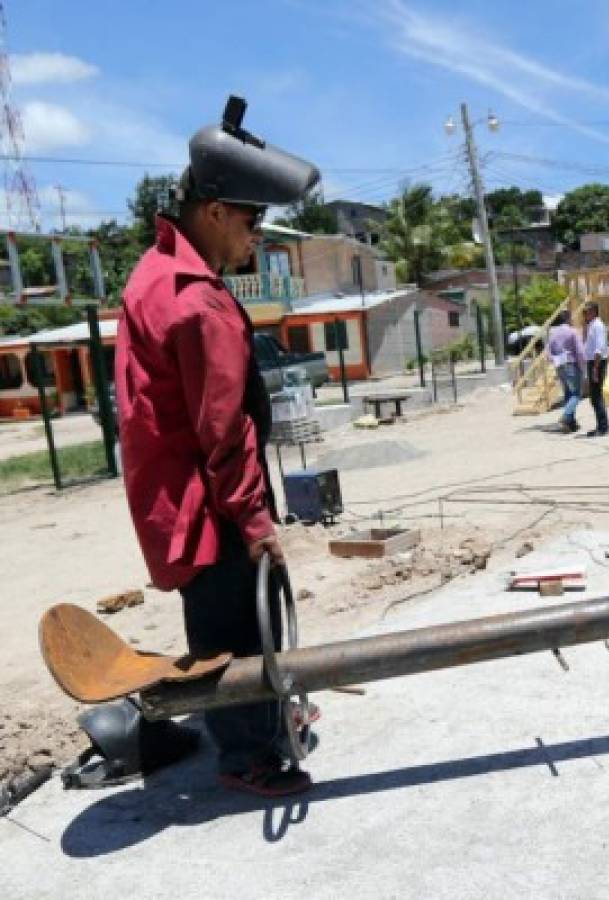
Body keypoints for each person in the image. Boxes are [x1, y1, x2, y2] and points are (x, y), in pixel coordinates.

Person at [115, 97, 321, 795]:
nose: (256, 235)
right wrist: (256, 522)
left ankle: (262, 716)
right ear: (212, 212)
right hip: (210, 502)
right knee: (237, 624)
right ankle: (249, 757)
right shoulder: (197, 301)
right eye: (250, 218)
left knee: (224, 621)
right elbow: (223, 429)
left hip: (180, 497)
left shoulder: (153, 274)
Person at [546, 309, 584, 432]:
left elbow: (548, 353)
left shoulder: (553, 333)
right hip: (571, 364)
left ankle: (570, 423)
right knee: (576, 394)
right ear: (568, 319)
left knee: (568, 393)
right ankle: (566, 416)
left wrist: (555, 359)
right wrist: (582, 364)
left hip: (559, 366)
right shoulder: (572, 332)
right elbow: (579, 351)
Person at [581, 300, 609, 437]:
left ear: (593, 312)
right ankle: (600, 425)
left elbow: (599, 349)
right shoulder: (591, 325)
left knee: (596, 396)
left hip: (597, 362)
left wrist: (595, 368)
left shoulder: (598, 326)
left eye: (585, 312)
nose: (584, 315)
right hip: (592, 362)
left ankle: (603, 427)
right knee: (594, 397)